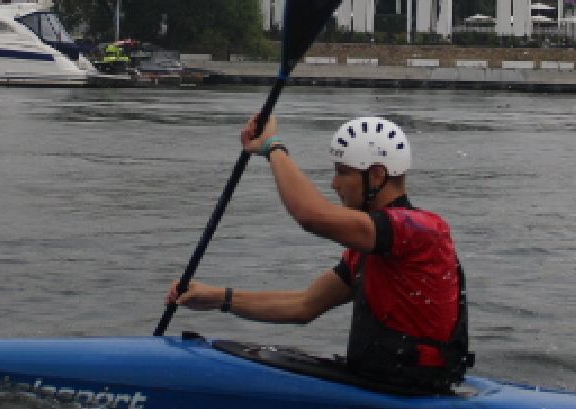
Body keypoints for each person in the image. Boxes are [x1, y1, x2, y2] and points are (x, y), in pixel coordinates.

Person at [166, 114, 472, 393]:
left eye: (343, 173)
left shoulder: (420, 230)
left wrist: (273, 148)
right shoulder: (369, 250)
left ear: (377, 176)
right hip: (383, 383)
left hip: (411, 390)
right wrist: (219, 298)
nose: (334, 184)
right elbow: (303, 306)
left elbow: (312, 215)